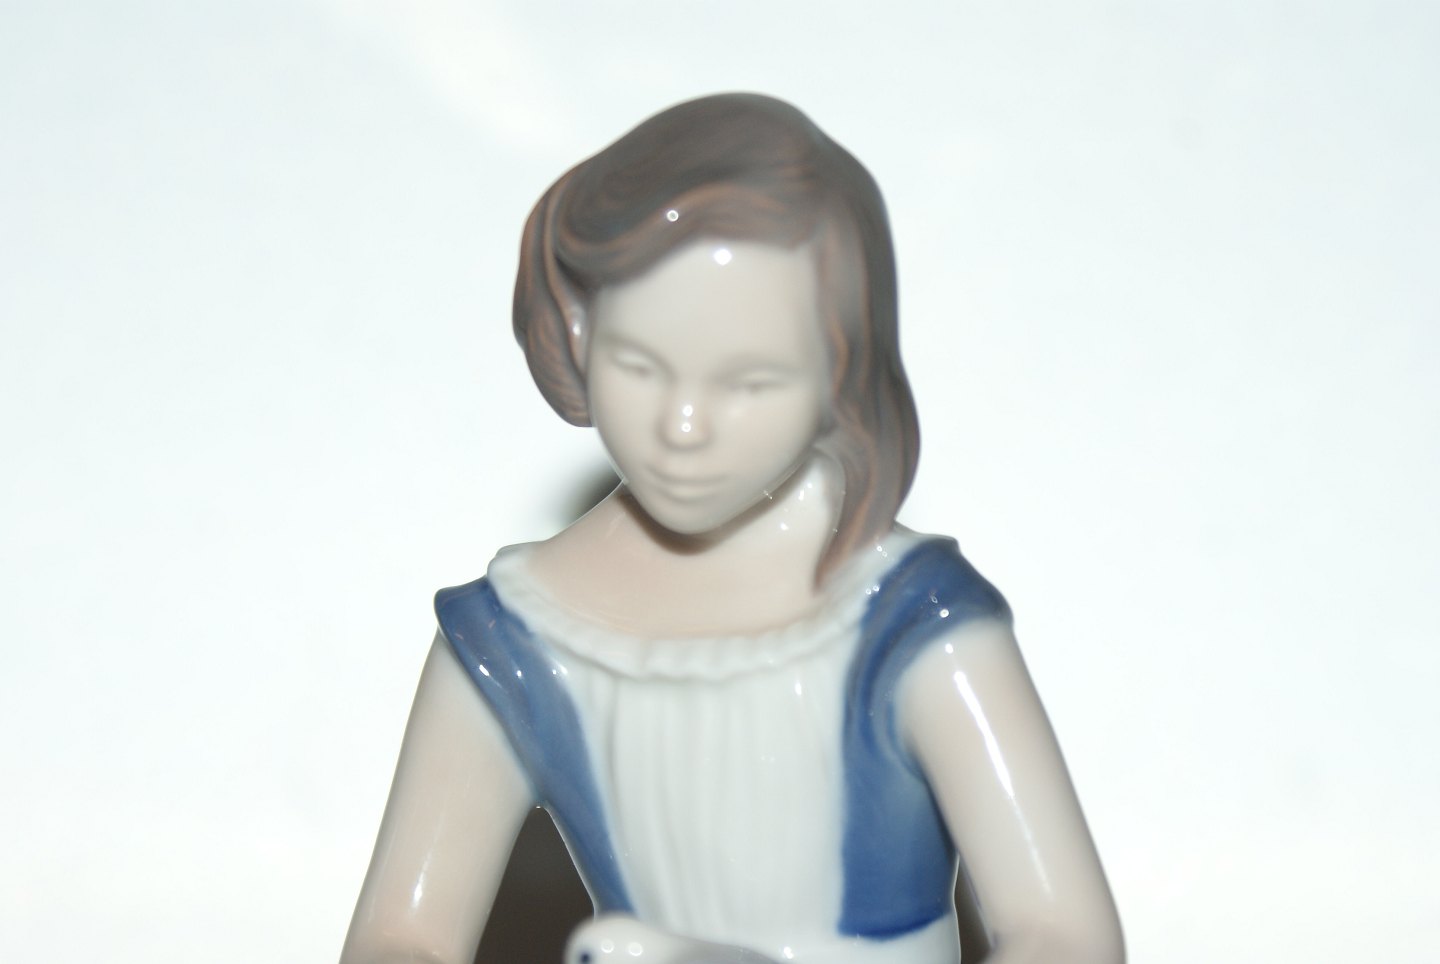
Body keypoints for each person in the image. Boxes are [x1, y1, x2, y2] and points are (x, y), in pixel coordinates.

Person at [341, 93, 1124, 964]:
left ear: (841, 372)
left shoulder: (913, 626)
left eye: (750, 382)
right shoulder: (515, 641)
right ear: (579, 334)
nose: (682, 427)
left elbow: (1063, 934)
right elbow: (400, 936)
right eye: (639, 365)